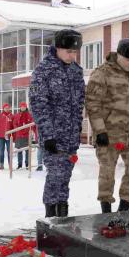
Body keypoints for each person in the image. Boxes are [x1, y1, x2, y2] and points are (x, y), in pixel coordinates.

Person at [86, 39, 129, 213]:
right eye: (128, 60)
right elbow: (93, 104)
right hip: (109, 134)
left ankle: (124, 209)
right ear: (119, 55)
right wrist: (99, 130)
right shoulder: (102, 73)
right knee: (107, 173)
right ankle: (105, 210)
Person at [29, 29, 85, 217]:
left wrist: (77, 132)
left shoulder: (77, 72)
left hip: (70, 137)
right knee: (55, 176)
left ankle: (62, 215)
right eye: (68, 52)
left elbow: (79, 105)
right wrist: (48, 135)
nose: (72, 56)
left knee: (65, 177)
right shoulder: (44, 71)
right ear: (58, 49)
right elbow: (38, 104)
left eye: (75, 52)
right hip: (52, 136)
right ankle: (50, 216)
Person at [12, 102, 37, 170]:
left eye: (24, 106)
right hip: (19, 135)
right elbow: (14, 124)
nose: (23, 107)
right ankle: (19, 164)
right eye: (22, 106)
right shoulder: (17, 115)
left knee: (27, 151)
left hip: (27, 135)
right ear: (20, 107)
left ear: (26, 107)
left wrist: (25, 130)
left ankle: (27, 164)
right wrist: (19, 130)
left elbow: (32, 124)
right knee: (19, 150)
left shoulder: (29, 115)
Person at [0, 103, 13, 170]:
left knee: (9, 151)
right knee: (1, 151)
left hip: (8, 136)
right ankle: (1, 165)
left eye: (8, 108)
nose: (7, 109)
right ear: (3, 108)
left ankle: (10, 165)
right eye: (5, 108)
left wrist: (13, 136)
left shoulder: (11, 116)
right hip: (1, 137)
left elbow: (13, 127)